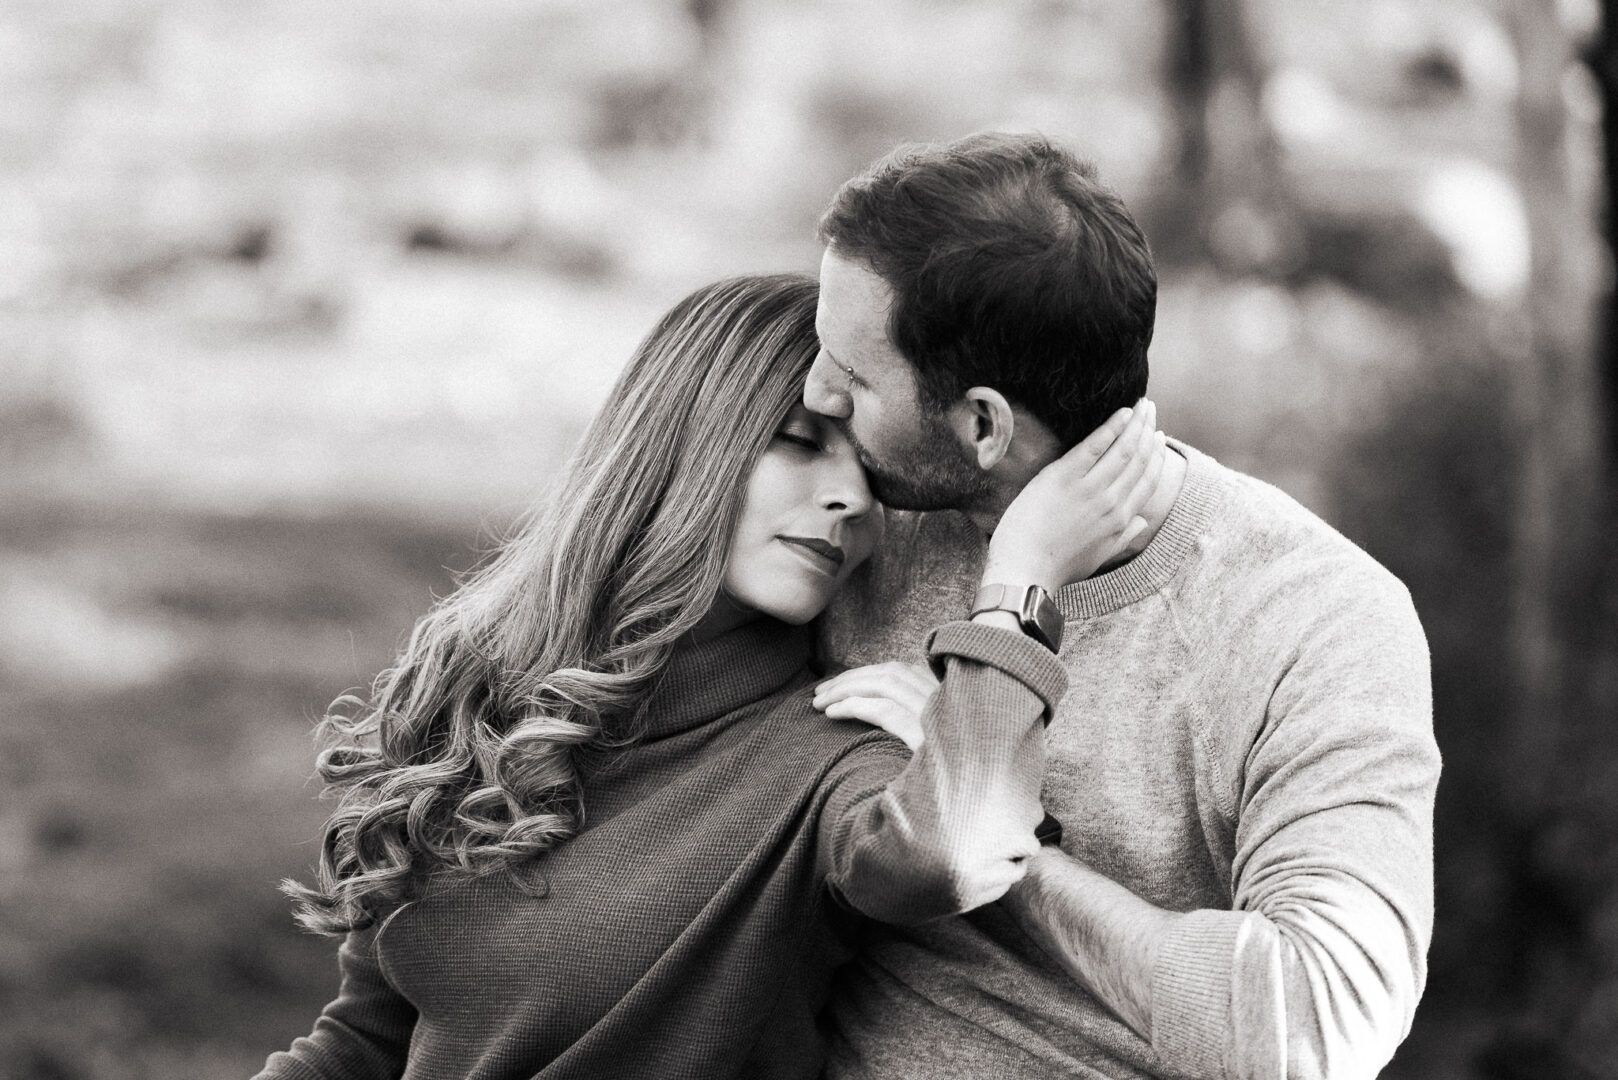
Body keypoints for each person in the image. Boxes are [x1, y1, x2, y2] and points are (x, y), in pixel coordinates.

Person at [255, 273, 1164, 1080]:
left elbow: (951, 857)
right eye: (802, 442)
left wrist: (1021, 586)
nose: (849, 499)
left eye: (873, 479)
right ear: (689, 443)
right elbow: (369, 1040)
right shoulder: (486, 693)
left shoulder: (826, 751)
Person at [805, 134, 1442, 1080]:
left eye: (853, 381)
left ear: (983, 425)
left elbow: (1314, 1026)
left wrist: (980, 813)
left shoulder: (1315, 617)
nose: (814, 393)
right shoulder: (847, 521)